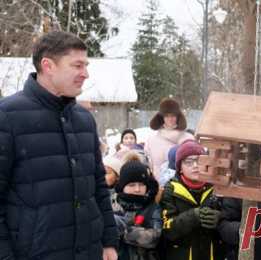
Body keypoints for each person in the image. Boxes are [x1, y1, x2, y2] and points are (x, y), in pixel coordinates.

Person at [0, 31, 118, 259]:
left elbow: (98, 187)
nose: (85, 74)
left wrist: (109, 242)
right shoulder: (7, 117)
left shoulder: (84, 120)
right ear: (48, 65)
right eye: (77, 65)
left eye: (86, 65)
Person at [160, 140, 224, 260]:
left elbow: (230, 218)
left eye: (199, 161)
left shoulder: (217, 188)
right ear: (180, 168)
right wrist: (193, 216)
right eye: (188, 162)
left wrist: (219, 219)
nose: (195, 166)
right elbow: (167, 230)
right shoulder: (171, 190)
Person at [114, 159, 162, 260]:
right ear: (122, 186)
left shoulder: (152, 207)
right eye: (131, 185)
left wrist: (123, 229)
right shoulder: (112, 204)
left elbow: (154, 237)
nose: (137, 189)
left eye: (141, 185)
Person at [144, 98, 194, 181]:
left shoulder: (188, 139)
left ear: (178, 117)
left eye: (173, 115)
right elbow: (149, 166)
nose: (170, 119)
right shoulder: (152, 140)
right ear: (161, 118)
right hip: (158, 186)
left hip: (182, 187)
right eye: (166, 116)